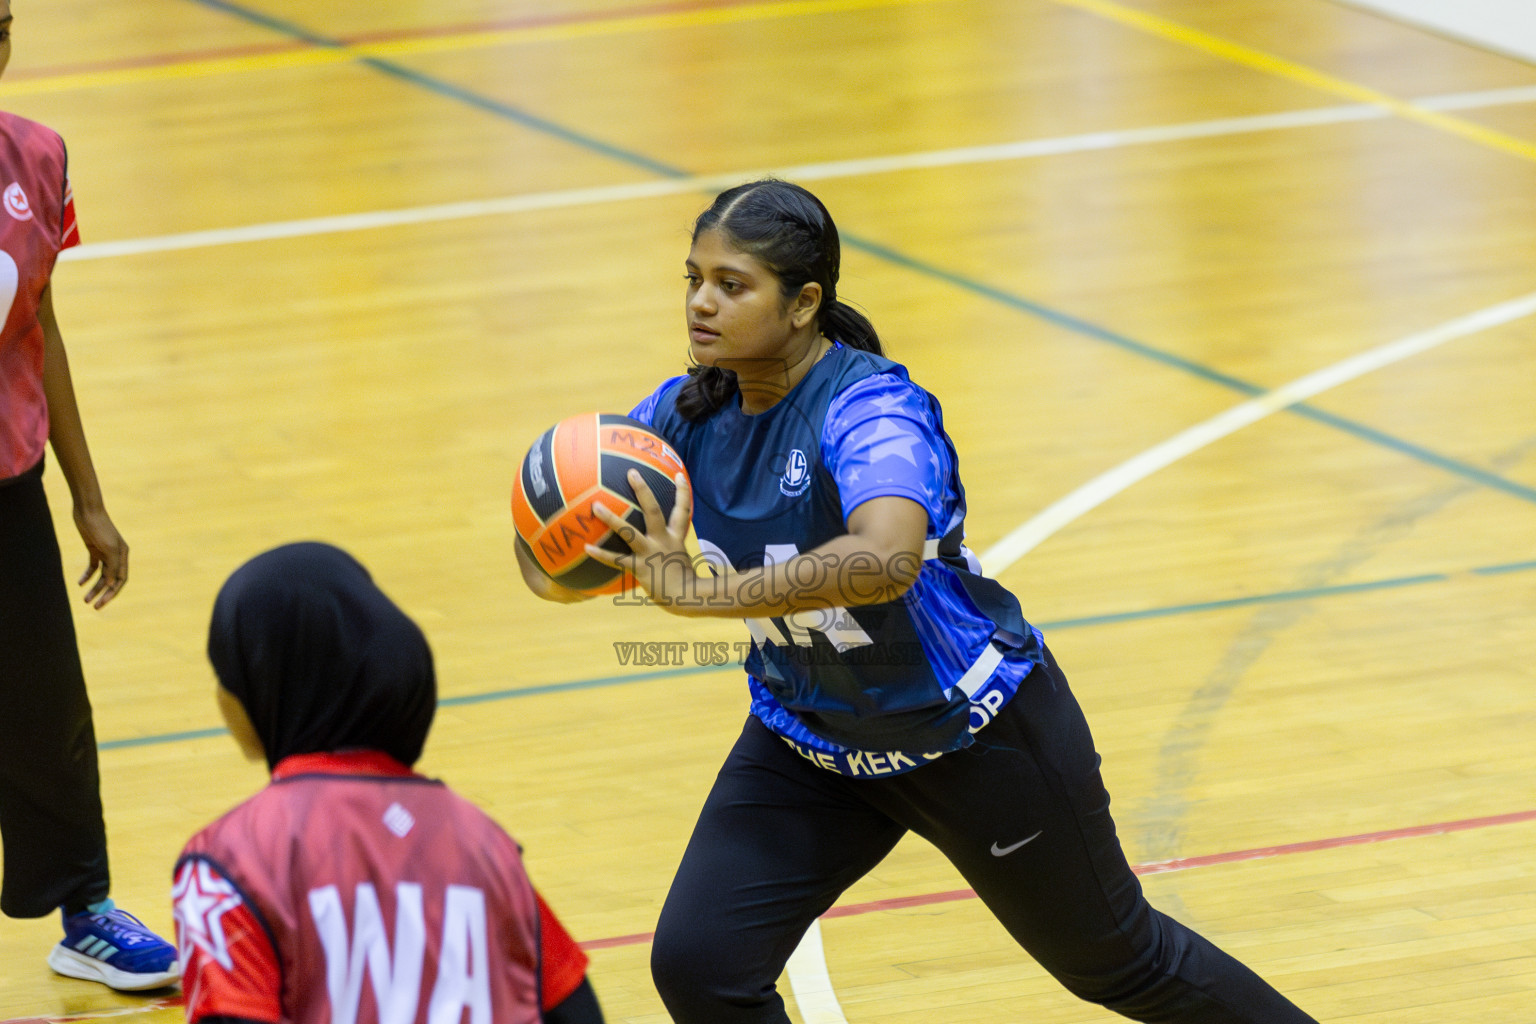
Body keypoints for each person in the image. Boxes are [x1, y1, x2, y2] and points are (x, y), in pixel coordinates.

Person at [517, 179, 1321, 1023]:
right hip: (813, 746)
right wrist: (562, 541)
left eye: (731, 284)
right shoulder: (682, 415)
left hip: (973, 737)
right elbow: (549, 564)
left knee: (1121, 964)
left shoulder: (871, 406)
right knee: (701, 965)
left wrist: (697, 593)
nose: (701, 304)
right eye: (693, 280)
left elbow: (886, 558)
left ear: (804, 304)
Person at [176, 541, 604, 1024]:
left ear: (266, 686)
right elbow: (577, 1012)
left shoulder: (226, 864)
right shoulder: (481, 844)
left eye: (225, 672)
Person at [0, 0, 179, 992]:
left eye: (0, 21)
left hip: (7, 480)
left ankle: (85, 913)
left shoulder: (35, 155)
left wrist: (88, 497)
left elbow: (44, 329)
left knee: (45, 711)